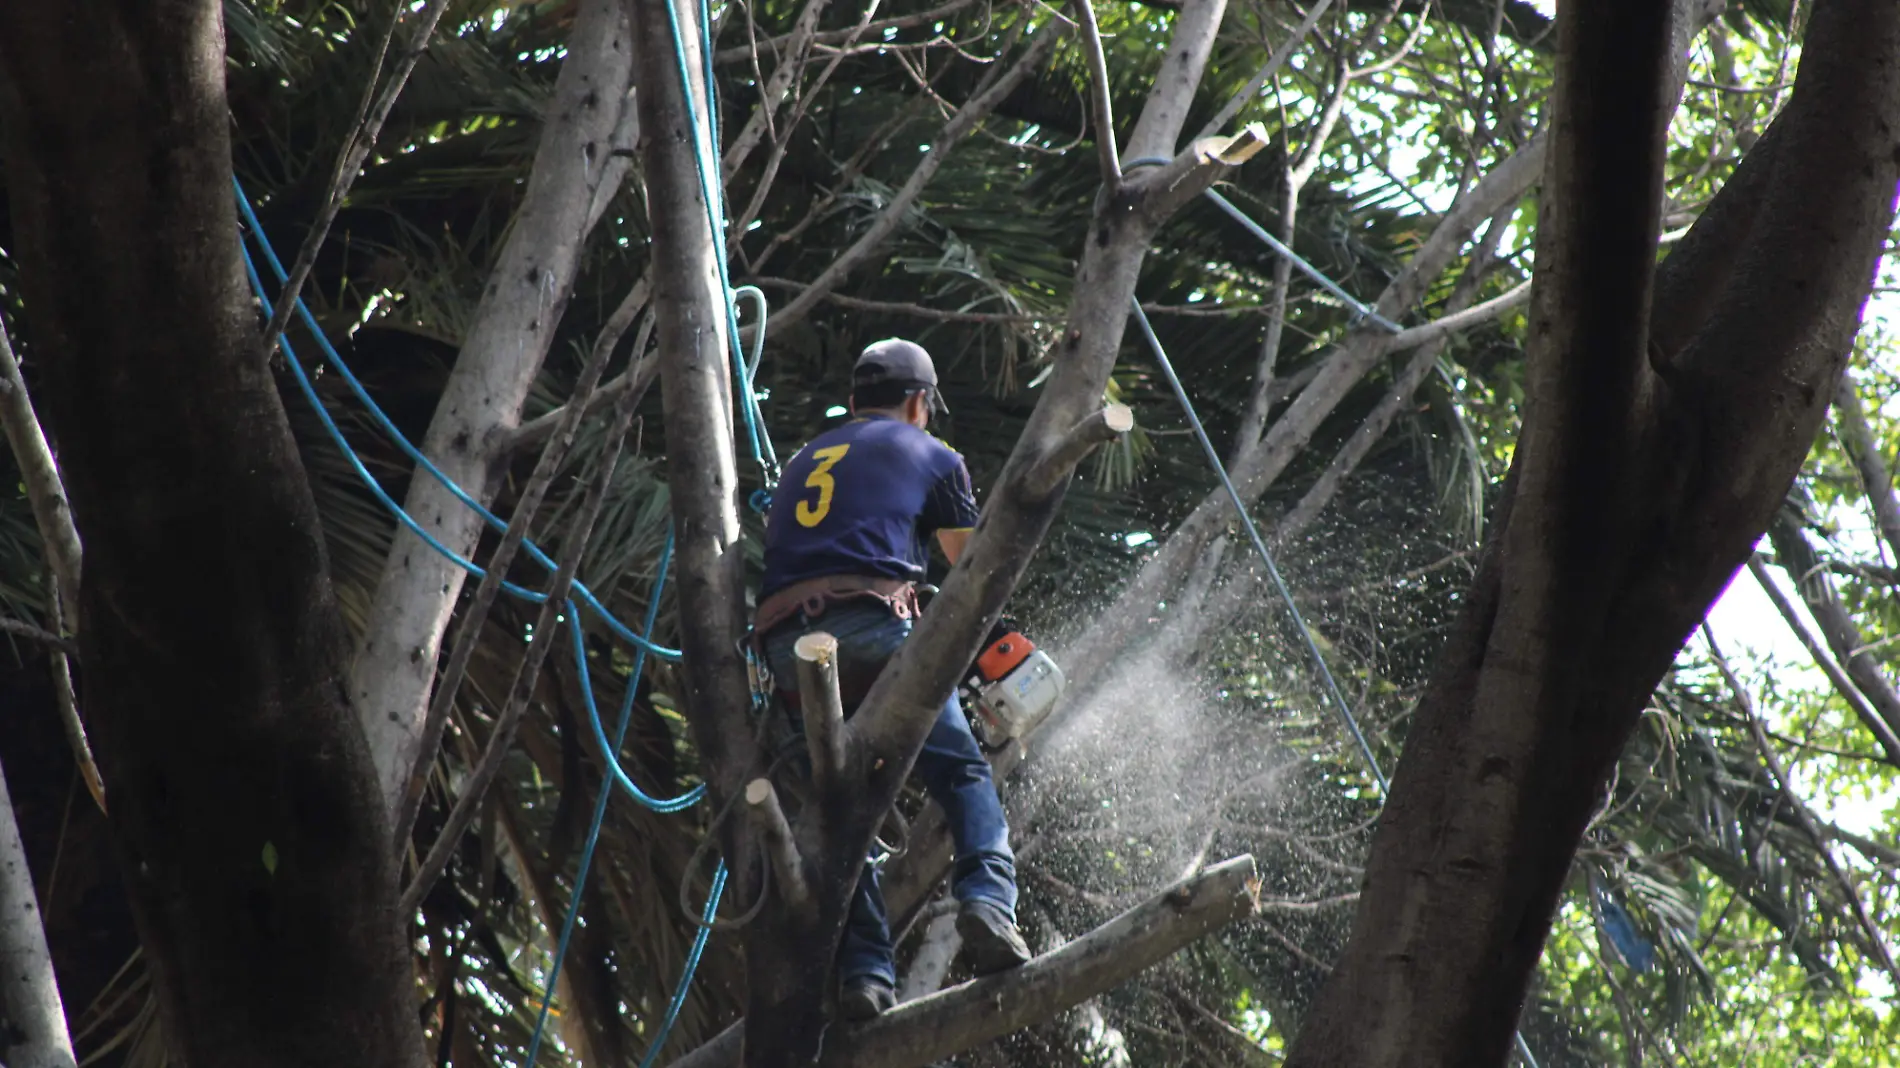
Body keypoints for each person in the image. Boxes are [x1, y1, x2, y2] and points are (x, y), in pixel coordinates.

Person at [755, 338, 1031, 1021]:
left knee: (843, 812)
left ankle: (866, 975)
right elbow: (973, 577)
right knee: (963, 773)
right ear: (917, 402)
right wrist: (996, 649)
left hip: (788, 648)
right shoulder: (934, 456)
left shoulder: (801, 461)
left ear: (856, 400)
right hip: (875, 632)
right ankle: (990, 902)